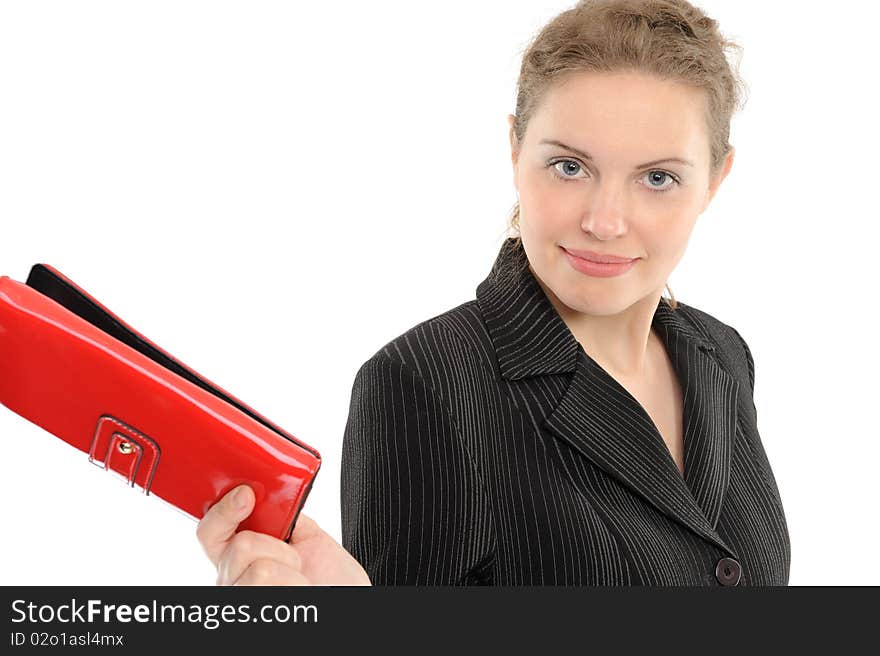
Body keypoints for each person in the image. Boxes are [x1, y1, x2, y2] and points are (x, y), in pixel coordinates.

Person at [196, 0, 791, 586]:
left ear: (714, 181)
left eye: (658, 178)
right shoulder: (424, 383)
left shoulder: (721, 354)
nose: (605, 221)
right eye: (569, 167)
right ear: (515, 149)